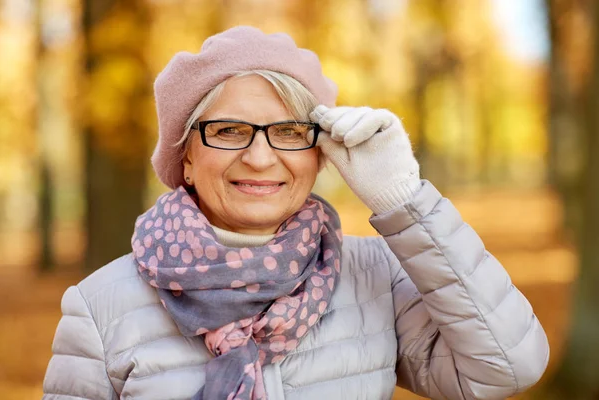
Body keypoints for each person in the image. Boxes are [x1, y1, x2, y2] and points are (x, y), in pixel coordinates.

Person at [42, 26, 549, 400]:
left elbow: (508, 365)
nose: (260, 157)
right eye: (228, 130)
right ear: (187, 159)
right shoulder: (100, 308)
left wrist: (404, 201)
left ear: (318, 153)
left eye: (288, 131)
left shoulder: (375, 277)